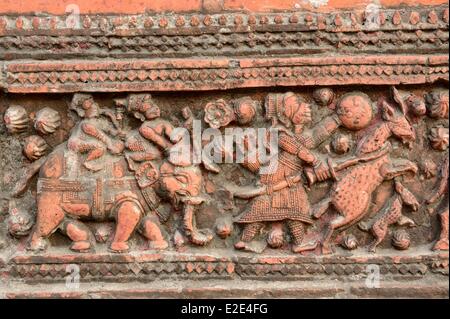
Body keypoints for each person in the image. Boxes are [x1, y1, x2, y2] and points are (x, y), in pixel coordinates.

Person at [234, 92, 329, 252]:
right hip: (280, 174)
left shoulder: (297, 135)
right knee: (285, 206)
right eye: (299, 105)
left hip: (287, 175)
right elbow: (296, 148)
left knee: (281, 207)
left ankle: (295, 242)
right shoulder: (280, 133)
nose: (306, 107)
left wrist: (336, 121)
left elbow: (312, 140)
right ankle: (246, 240)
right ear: (287, 115)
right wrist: (315, 161)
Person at [68, 94, 125, 171]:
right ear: (84, 112)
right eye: (91, 109)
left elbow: (114, 132)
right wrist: (110, 145)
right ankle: (88, 161)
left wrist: (113, 118)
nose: (94, 110)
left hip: (91, 141)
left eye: (95, 108)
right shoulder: (85, 124)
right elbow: (100, 136)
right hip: (76, 143)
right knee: (100, 146)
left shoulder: (100, 122)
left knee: (118, 144)